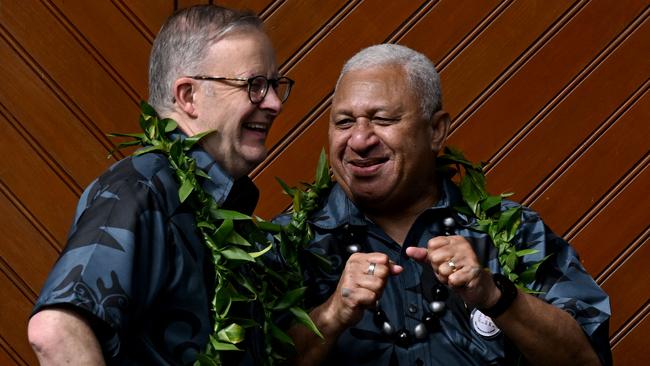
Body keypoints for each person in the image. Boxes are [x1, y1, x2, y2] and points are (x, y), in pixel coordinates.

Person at [285, 44, 611, 365]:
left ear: (436, 131)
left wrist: (497, 297)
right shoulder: (288, 247)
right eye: (344, 122)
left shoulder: (516, 232)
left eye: (382, 119)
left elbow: (587, 360)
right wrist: (331, 316)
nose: (359, 139)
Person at [27, 4, 293, 365]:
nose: (274, 103)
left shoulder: (211, 200)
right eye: (254, 86)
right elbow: (56, 330)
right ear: (188, 96)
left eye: (275, 86)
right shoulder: (141, 191)